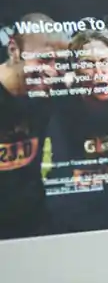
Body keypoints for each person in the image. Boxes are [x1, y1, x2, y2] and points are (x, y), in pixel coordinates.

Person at [46, 30, 108, 233]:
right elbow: (62, 170)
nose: (98, 71)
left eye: (104, 61)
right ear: (75, 70)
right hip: (79, 208)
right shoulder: (61, 107)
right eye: (87, 64)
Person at [0, 13, 68, 238]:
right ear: (14, 50)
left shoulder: (43, 98)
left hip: (34, 226)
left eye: (58, 62)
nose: (53, 71)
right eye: (45, 59)